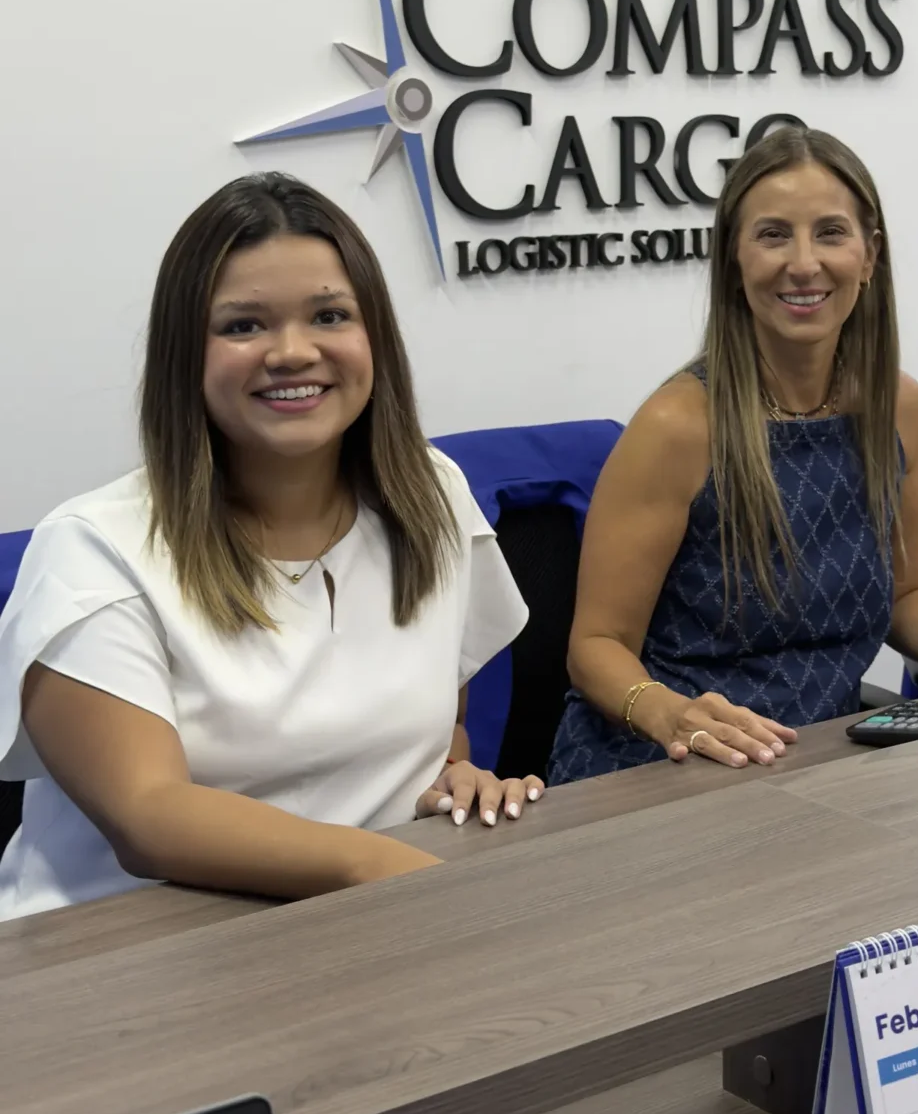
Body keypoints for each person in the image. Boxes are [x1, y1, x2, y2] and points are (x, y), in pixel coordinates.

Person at [0, 172, 542, 917]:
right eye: (243, 326)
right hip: (120, 952)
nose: (291, 352)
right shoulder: (92, 550)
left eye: (329, 315)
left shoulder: (431, 495)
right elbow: (148, 816)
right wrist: (404, 874)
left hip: (359, 924)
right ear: (185, 353)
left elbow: (436, 724)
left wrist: (453, 773)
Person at [551, 125, 918, 782]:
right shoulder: (677, 425)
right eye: (773, 235)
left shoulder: (896, 406)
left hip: (818, 765)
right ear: (733, 260)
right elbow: (596, 647)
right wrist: (670, 715)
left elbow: (907, 595)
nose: (803, 263)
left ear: (869, 256)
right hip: (661, 767)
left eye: (830, 233)